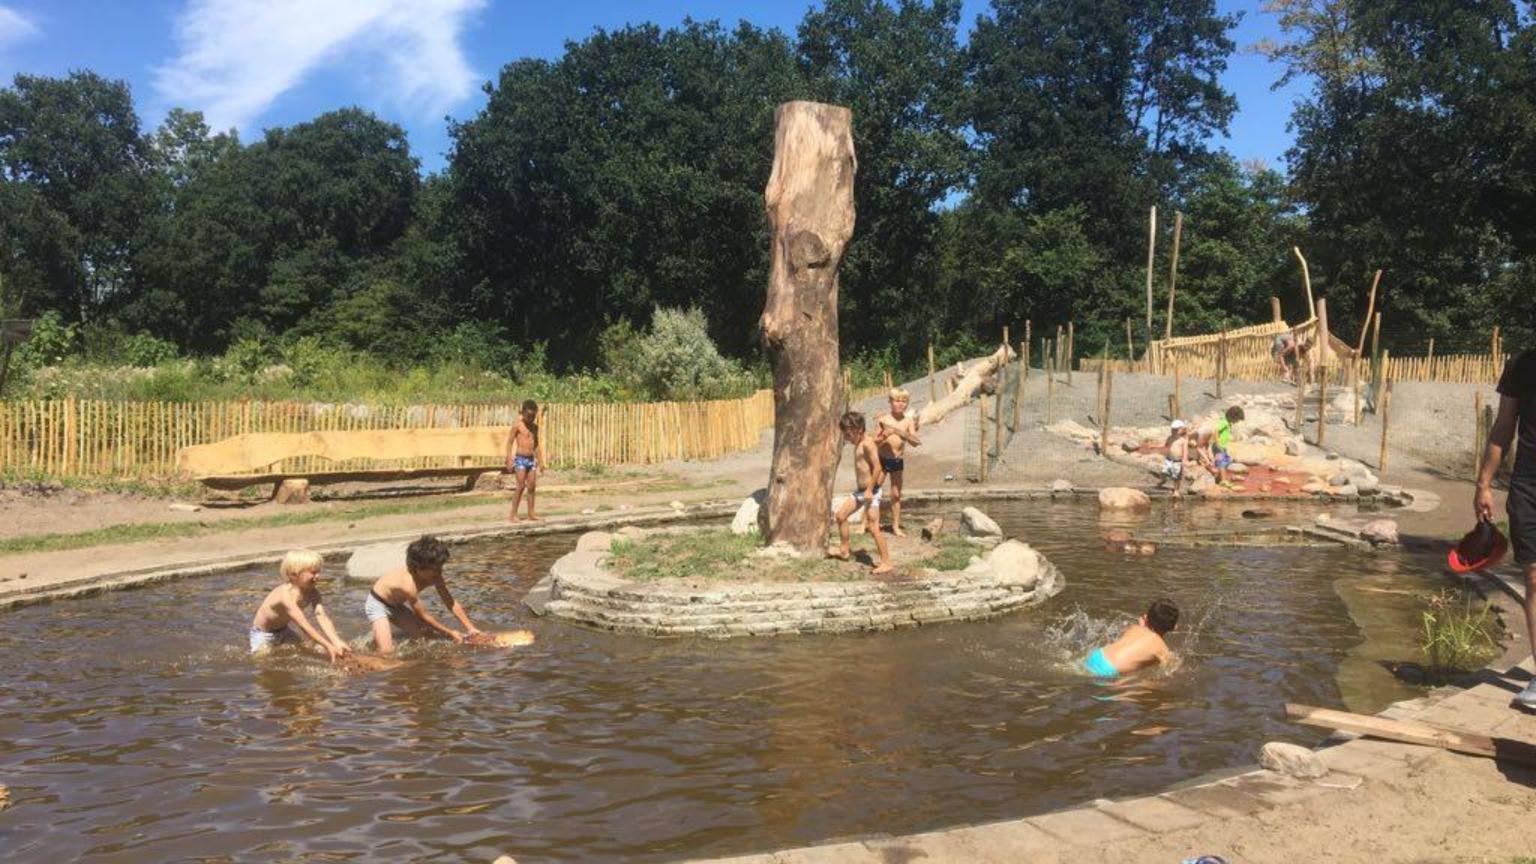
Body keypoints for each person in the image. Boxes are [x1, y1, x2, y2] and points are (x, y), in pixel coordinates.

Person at [1475, 348, 1536, 708]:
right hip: (1530, 482)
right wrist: (1483, 483)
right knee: (1533, 575)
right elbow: (1503, 428)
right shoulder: (1523, 365)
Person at [365, 535, 484, 654]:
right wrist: (449, 633)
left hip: (397, 605)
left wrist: (471, 628)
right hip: (378, 604)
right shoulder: (408, 585)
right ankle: (375, 639)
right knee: (387, 652)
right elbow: (424, 616)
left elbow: (450, 602)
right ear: (418, 568)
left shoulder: (436, 575)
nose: (439, 572)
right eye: (435, 569)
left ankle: (394, 635)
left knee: (425, 637)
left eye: (440, 567)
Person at [250, 549, 352, 662]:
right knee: (262, 662)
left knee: (304, 649)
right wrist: (327, 646)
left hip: (283, 630)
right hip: (263, 634)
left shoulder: (313, 592)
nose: (318, 576)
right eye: (313, 572)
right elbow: (304, 626)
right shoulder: (285, 596)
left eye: (318, 571)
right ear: (294, 574)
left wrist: (336, 641)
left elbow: (321, 616)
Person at [830, 411, 893, 574]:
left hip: (871, 491)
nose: (847, 437)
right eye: (844, 433)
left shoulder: (866, 443)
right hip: (860, 491)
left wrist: (870, 490)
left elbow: (878, 467)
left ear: (858, 429)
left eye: (848, 433)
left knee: (873, 527)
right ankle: (844, 550)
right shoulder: (861, 443)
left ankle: (886, 562)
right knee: (840, 516)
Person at [1083, 598, 1179, 678]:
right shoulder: (1161, 648)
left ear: (1146, 618)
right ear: (1174, 627)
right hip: (1108, 671)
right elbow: (1170, 668)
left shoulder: (1135, 628)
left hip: (1097, 655)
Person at [874, 388, 922, 536]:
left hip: (897, 460)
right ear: (890, 402)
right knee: (874, 491)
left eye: (904, 401)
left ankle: (895, 526)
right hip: (881, 460)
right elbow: (874, 441)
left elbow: (916, 442)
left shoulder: (908, 422)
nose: (900, 404)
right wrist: (884, 436)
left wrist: (900, 432)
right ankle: (866, 524)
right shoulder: (883, 420)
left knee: (896, 494)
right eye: (897, 401)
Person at [506, 399, 544, 522]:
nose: (530, 419)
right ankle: (513, 514)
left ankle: (531, 513)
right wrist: (509, 458)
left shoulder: (534, 427)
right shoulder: (518, 426)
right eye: (528, 416)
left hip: (531, 460)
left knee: (532, 486)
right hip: (521, 459)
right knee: (520, 486)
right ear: (522, 413)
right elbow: (510, 442)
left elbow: (536, 445)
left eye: (533, 417)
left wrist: (541, 461)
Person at [1194, 406, 1245, 487]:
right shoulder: (1224, 422)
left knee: (1224, 462)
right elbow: (1216, 431)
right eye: (1236, 420)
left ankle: (1219, 479)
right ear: (1232, 416)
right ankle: (1223, 481)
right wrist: (1218, 442)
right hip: (1218, 446)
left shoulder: (1227, 423)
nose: (1236, 422)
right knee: (1222, 463)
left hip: (1222, 446)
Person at [1161, 419, 1192, 497]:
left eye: (1176, 430)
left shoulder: (1182, 440)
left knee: (1177, 476)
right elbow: (1166, 446)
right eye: (1172, 430)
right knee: (1165, 472)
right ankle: (1164, 480)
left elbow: (1185, 451)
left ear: (1181, 430)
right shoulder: (1170, 438)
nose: (1173, 431)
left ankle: (1176, 490)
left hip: (1177, 460)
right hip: (1169, 459)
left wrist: (1185, 459)